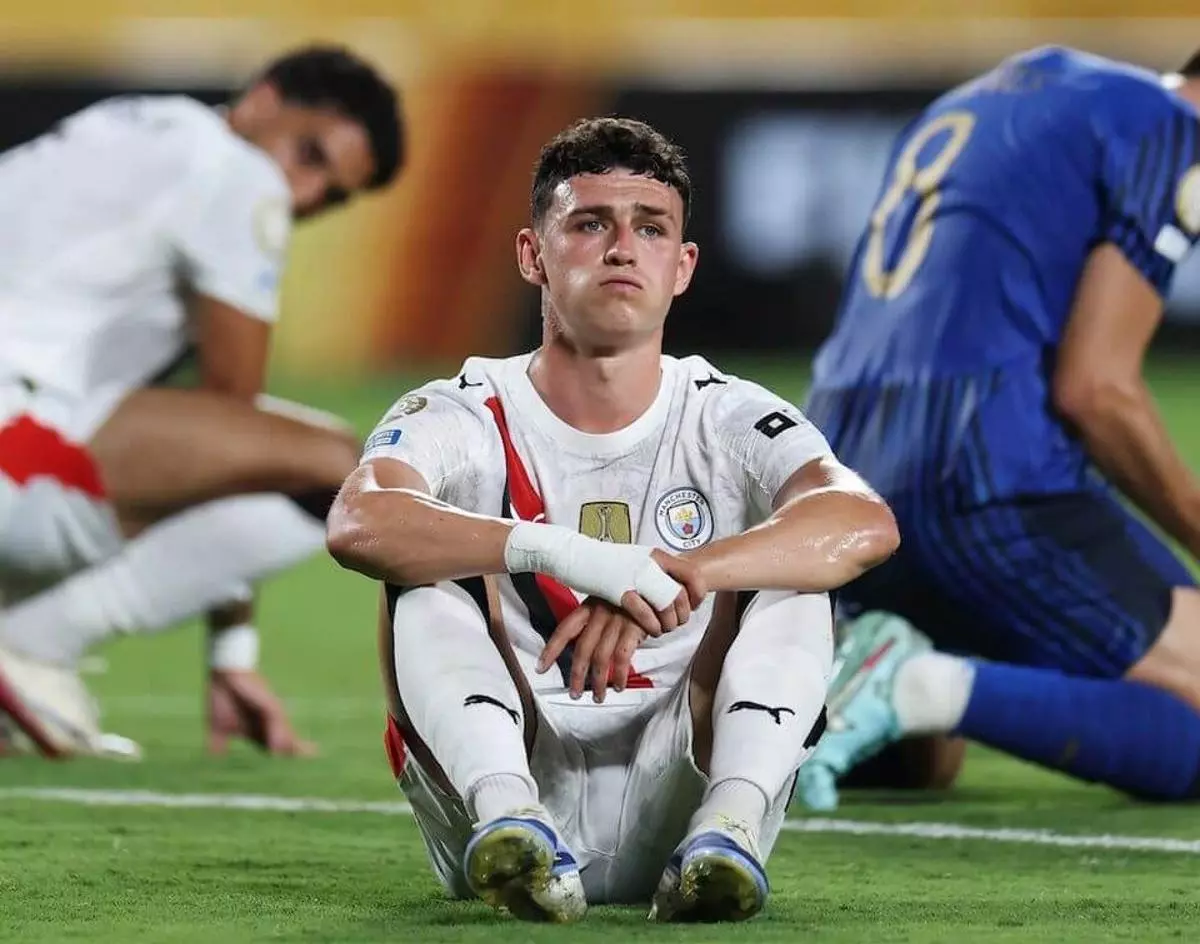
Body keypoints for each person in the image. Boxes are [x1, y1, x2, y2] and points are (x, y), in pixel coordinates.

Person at [326, 116, 898, 922]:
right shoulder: (462, 407)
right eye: (591, 224)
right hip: (504, 779)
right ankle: (509, 817)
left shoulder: (728, 412)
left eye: (651, 228)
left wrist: (680, 571)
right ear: (532, 255)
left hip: (682, 781)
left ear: (683, 266)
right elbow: (359, 521)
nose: (623, 248)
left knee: (795, 571)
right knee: (423, 559)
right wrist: (564, 554)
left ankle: (730, 824)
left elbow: (862, 520)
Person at [796, 45, 1200, 810]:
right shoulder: (1168, 132)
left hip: (843, 481)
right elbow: (1098, 391)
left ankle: (837, 676)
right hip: (984, 475)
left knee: (923, 764)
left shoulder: (984, 96)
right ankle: (910, 681)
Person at [0, 45, 405, 759]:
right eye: (309, 155)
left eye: (333, 196)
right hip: (17, 445)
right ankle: (30, 646)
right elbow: (232, 422)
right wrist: (231, 651)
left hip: (28, 426)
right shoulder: (241, 176)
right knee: (341, 464)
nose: (305, 197)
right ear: (262, 100)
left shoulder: (129, 122)